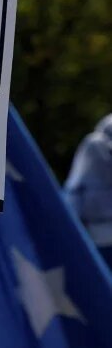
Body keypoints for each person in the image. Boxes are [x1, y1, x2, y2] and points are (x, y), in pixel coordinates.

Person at [66, 113, 112, 268]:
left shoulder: (94, 144)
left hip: (96, 235)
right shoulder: (95, 144)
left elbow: (75, 188)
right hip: (97, 234)